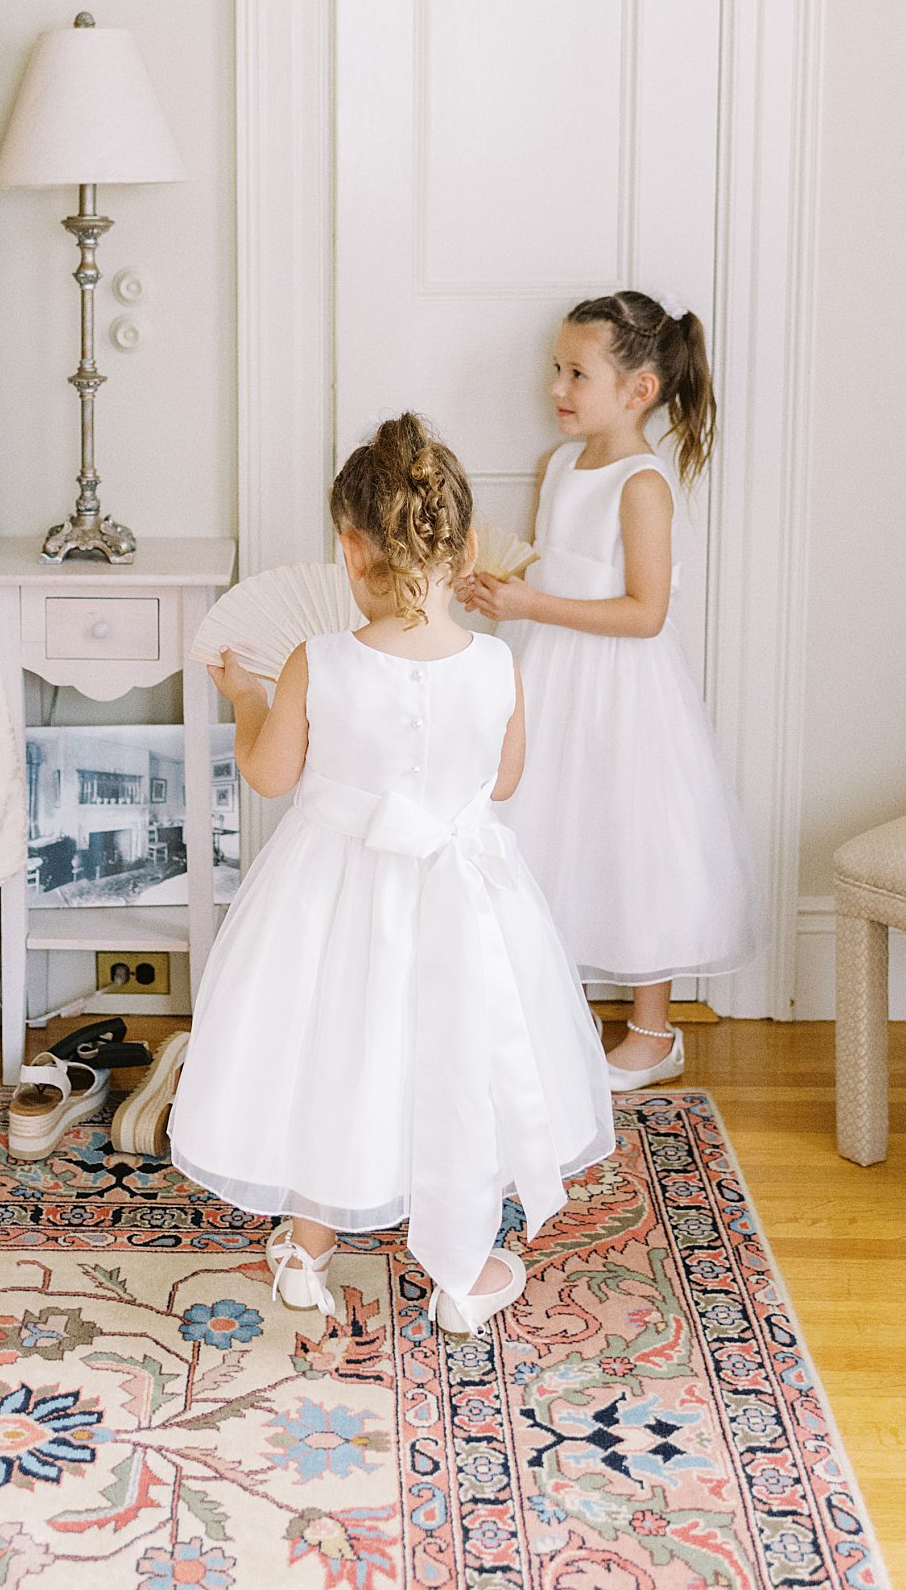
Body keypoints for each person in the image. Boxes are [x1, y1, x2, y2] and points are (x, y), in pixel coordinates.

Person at [169, 413, 612, 1337]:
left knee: (336, 1057)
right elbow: (503, 780)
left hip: (331, 898)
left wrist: (246, 695)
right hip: (465, 896)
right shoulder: (496, 665)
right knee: (464, 1055)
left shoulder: (314, 660)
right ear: (467, 549)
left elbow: (269, 773)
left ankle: (307, 1251)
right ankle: (463, 1264)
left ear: (349, 550)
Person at [462, 293, 757, 1090]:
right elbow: (548, 564)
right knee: (539, 827)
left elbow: (645, 612)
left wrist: (527, 604)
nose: (556, 387)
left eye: (576, 373)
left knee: (633, 841)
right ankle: (541, 1004)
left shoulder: (641, 483)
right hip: (548, 672)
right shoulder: (558, 465)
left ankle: (654, 1032)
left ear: (639, 390)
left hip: (622, 690)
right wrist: (501, 589)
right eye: (554, 369)